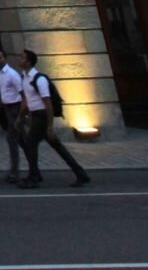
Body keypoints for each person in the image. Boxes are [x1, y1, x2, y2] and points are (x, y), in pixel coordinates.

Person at [16, 48, 90, 189]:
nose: (20, 60)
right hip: (35, 115)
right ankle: (80, 173)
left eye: (22, 58)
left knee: (30, 143)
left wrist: (50, 126)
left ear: (29, 62)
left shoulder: (39, 79)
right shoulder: (24, 78)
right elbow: (26, 100)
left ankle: (34, 177)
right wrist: (20, 117)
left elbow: (48, 103)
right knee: (56, 146)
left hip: (42, 116)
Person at [0, 47, 26, 184]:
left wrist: (20, 115)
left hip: (15, 108)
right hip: (7, 108)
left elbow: (22, 94)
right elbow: (4, 87)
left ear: (5, 58)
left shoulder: (12, 74)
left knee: (12, 139)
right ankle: (31, 168)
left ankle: (14, 172)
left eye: (0, 57)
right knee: (21, 140)